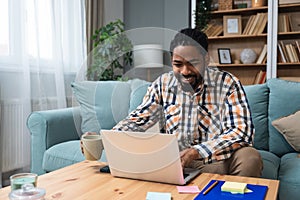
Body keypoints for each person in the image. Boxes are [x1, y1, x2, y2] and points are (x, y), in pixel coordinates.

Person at [84, 28, 263, 177]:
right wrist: (106, 137)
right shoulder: (163, 84)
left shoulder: (228, 84)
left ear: (206, 59)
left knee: (249, 157)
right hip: (172, 161)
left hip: (214, 160)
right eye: (178, 64)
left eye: (192, 63)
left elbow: (241, 132)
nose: (185, 71)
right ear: (171, 61)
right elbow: (138, 119)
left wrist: (196, 152)